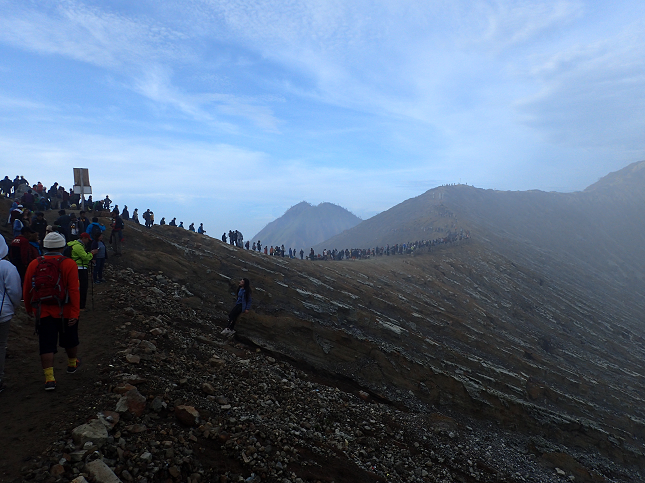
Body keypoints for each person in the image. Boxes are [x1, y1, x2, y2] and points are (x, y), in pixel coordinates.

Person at [23, 232, 81, 391]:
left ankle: (49, 379)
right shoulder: (69, 264)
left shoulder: (35, 264)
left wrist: (29, 308)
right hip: (66, 311)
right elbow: (74, 290)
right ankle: (71, 364)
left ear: (44, 246)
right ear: (62, 247)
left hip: (43, 311)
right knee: (70, 339)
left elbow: (27, 288)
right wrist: (75, 313)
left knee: (46, 345)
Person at [0, 236, 22, 393]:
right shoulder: (6, 267)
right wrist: (13, 306)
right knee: (1, 345)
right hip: (2, 312)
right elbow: (14, 291)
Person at [67, 233, 96, 310]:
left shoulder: (77, 245)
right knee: (82, 287)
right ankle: (80, 305)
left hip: (79, 267)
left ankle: (78, 304)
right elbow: (85, 257)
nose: (88, 241)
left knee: (80, 287)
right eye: (87, 239)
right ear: (83, 238)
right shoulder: (78, 246)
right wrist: (92, 254)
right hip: (80, 268)